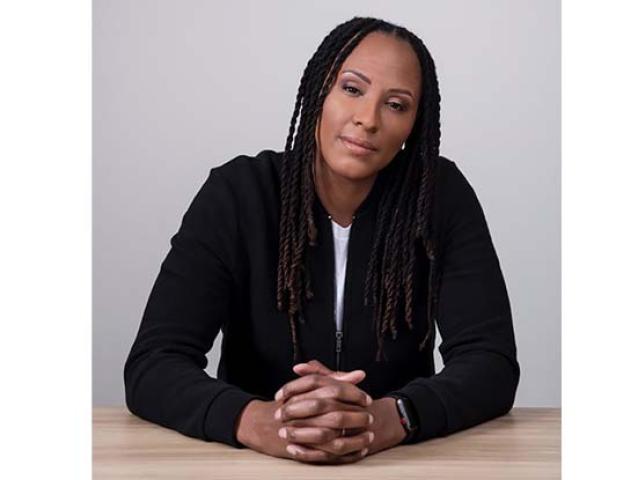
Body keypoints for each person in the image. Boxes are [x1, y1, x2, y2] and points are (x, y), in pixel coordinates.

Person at [123, 16, 520, 465]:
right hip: (252, 464)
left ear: (415, 124)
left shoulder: (439, 198)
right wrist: (257, 421)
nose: (367, 119)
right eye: (352, 89)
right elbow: (153, 364)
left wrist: (391, 417)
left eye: (396, 104)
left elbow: (491, 363)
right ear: (319, 91)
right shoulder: (238, 195)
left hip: (397, 464)